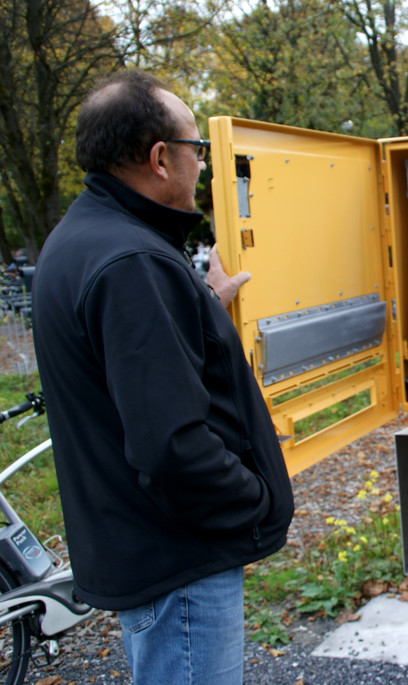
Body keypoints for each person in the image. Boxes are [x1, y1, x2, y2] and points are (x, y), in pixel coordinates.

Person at [32, 70, 293, 685]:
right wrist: (256, 501)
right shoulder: (134, 264)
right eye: (196, 150)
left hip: (145, 547)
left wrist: (201, 304)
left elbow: (129, 368)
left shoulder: (83, 241)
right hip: (181, 560)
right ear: (159, 158)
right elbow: (171, 446)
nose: (202, 166)